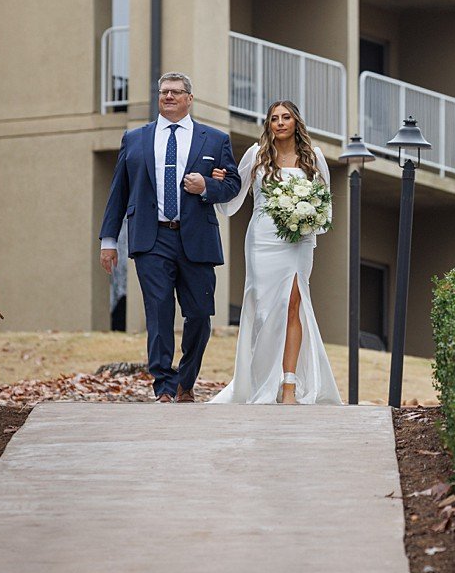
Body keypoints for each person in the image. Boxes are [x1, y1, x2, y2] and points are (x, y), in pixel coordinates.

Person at [98, 73, 242, 402]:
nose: (169, 97)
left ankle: (185, 380)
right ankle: (163, 387)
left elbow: (232, 185)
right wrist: (108, 240)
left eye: (176, 92)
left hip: (197, 240)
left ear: (190, 98)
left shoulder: (215, 139)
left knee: (200, 316)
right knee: (159, 311)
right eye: (164, 92)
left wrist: (207, 186)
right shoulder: (135, 139)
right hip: (152, 239)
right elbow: (118, 192)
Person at [208, 100, 342, 405]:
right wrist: (218, 185)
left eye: (286, 117)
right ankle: (258, 380)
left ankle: (289, 386)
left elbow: (325, 204)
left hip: (298, 242)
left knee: (294, 305)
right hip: (262, 240)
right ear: (268, 124)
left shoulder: (314, 158)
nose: (280, 123)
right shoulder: (255, 155)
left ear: (296, 122)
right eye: (274, 118)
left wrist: (307, 219)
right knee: (265, 310)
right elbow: (234, 195)